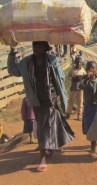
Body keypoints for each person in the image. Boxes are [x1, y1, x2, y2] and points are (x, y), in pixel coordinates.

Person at [8, 41, 74, 172]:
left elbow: (59, 78)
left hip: (50, 98)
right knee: (46, 124)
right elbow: (13, 70)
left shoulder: (52, 60)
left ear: (45, 48)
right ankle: (50, 146)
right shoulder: (26, 62)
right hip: (36, 99)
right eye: (35, 46)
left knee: (45, 126)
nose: (37, 49)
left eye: (40, 46)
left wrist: (62, 97)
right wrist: (12, 53)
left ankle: (42, 157)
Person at [79, 61, 97, 157]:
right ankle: (94, 144)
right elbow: (80, 86)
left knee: (96, 126)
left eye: (93, 68)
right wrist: (86, 79)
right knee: (89, 126)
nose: (91, 70)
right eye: (89, 68)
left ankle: (94, 147)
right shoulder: (84, 79)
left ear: (96, 69)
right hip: (88, 106)